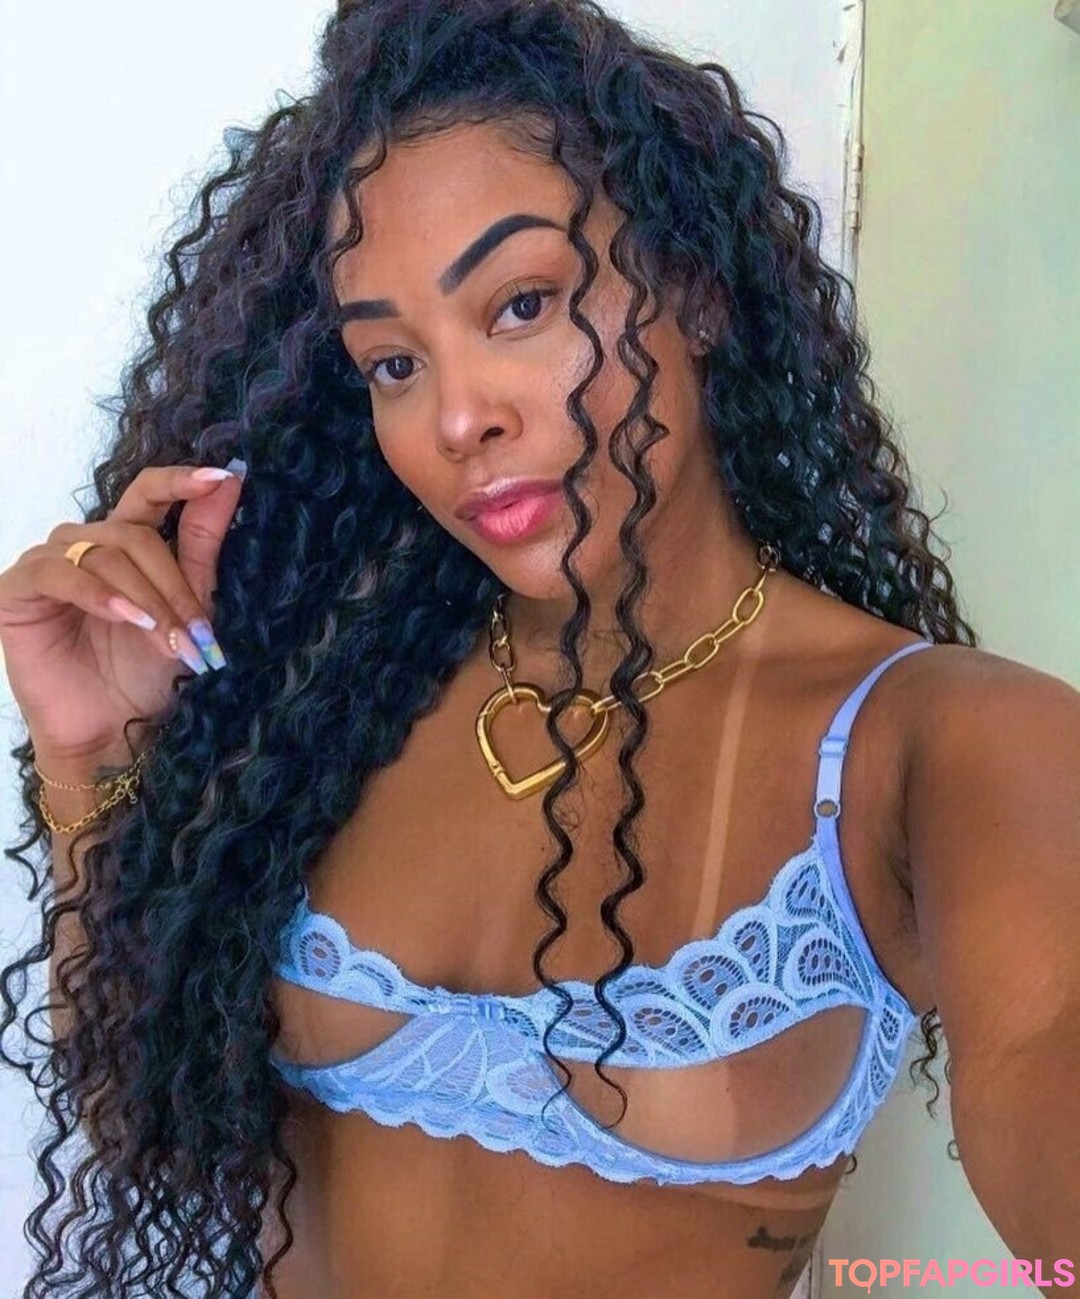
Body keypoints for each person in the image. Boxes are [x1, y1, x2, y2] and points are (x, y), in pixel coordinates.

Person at [1, 0, 1077, 1295]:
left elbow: (1050, 1058)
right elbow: (144, 1109)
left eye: (520, 304)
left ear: (694, 287)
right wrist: (92, 758)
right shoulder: (328, 704)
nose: (458, 417)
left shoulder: (929, 743)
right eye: (393, 363)